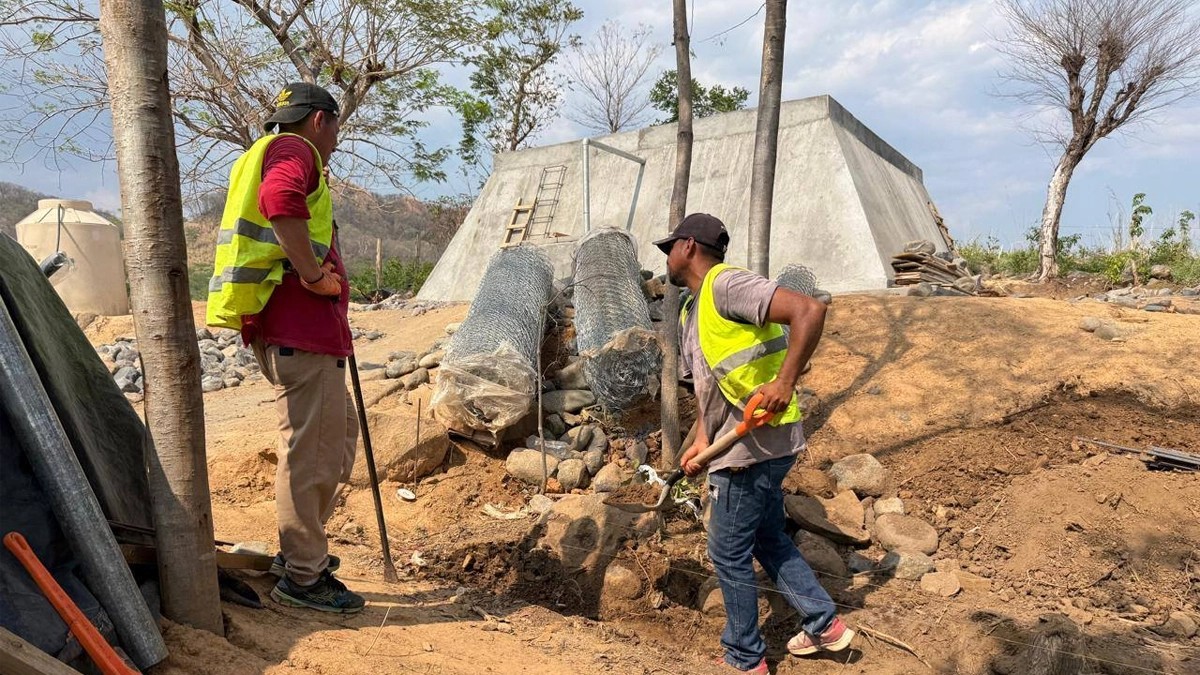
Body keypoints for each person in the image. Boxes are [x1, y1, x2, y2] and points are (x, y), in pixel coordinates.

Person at [655, 213, 853, 672]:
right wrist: (702, 443)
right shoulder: (694, 308)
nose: (665, 258)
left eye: (669, 247)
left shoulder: (726, 285)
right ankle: (824, 624)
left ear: (687, 247)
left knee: (727, 552)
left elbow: (810, 310)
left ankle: (746, 658)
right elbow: (712, 388)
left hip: (753, 446)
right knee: (767, 536)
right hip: (746, 443)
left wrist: (785, 382)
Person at [206, 82, 364, 614]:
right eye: (336, 127)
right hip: (301, 332)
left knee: (333, 441)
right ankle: (303, 576)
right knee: (313, 456)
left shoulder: (263, 151)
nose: (337, 139)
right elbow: (280, 201)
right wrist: (315, 275)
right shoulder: (296, 150)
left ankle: (301, 550)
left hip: (300, 334)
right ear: (320, 119)